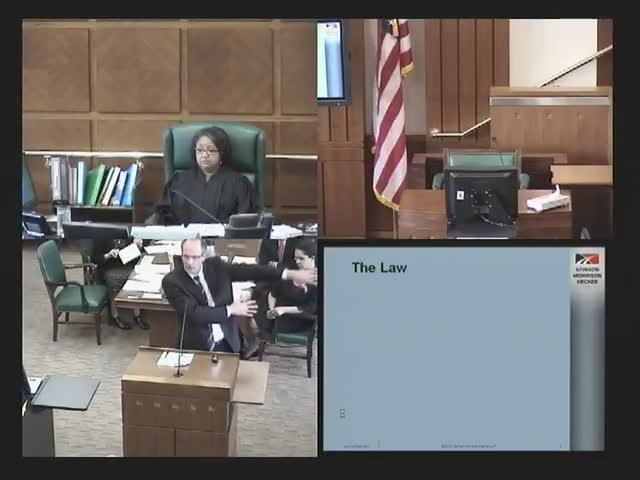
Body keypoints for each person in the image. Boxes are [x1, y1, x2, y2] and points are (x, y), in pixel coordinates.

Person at [161, 238, 317, 355]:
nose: (189, 262)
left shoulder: (216, 267)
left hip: (228, 342)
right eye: (186, 256)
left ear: (203, 256)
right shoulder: (172, 281)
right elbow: (195, 314)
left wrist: (288, 274)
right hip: (196, 346)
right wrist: (231, 309)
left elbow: (251, 271)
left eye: (195, 257)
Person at [153, 126, 256, 225]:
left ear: (222, 153)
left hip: (223, 237)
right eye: (200, 150)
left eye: (211, 150)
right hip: (182, 236)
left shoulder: (239, 183)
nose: (204, 155)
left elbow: (244, 221)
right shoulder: (178, 181)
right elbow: (162, 216)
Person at [88, 237, 148, 330]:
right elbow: (95, 259)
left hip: (127, 265)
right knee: (113, 281)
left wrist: (138, 247)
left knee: (136, 279)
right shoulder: (100, 236)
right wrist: (108, 255)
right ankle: (115, 316)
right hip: (108, 266)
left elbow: (138, 254)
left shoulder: (128, 234)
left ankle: (137, 315)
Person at [261, 238, 317, 337]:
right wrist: (272, 309)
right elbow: (273, 293)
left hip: (302, 320)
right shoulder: (291, 272)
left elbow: (309, 308)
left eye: (301, 259)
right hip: (279, 316)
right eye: (296, 258)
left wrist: (283, 310)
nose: (297, 262)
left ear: (312, 258)